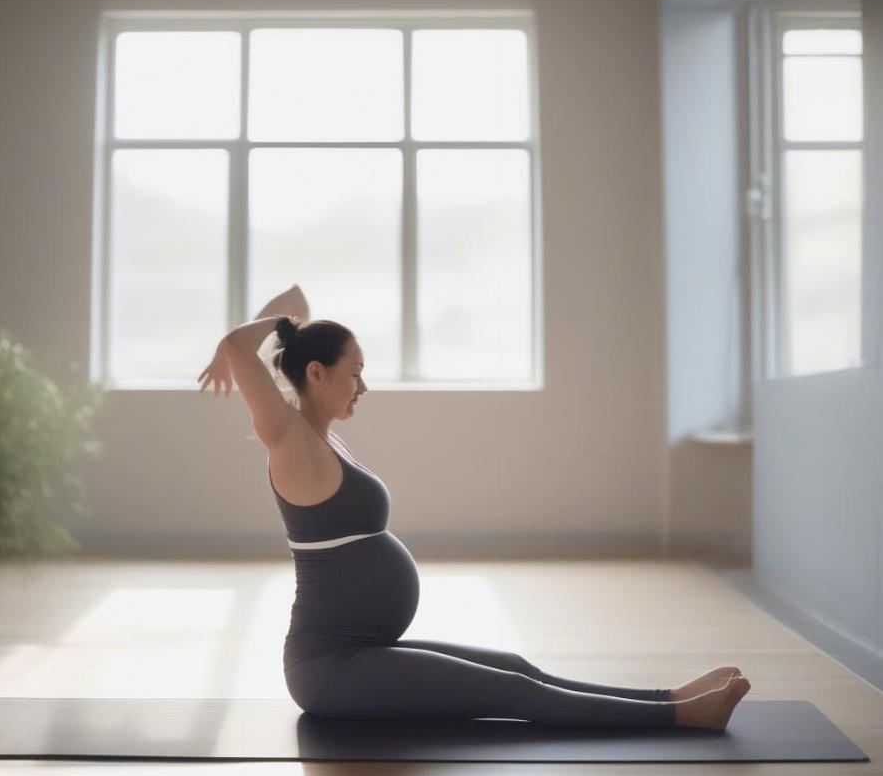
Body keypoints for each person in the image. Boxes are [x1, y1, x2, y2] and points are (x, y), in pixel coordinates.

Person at [198, 286, 751, 730]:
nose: (364, 385)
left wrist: (287, 329)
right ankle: (683, 717)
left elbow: (294, 300)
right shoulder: (291, 440)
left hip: (359, 649)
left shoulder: (322, 438)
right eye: (355, 371)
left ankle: (667, 696)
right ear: (316, 374)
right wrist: (247, 344)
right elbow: (237, 345)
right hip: (330, 669)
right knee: (513, 692)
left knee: (514, 668)